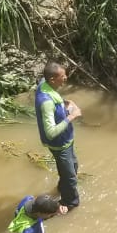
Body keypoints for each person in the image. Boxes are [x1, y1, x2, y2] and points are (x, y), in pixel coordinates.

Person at [35, 60, 82, 210]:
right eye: (63, 76)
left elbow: (46, 86)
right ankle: (70, 204)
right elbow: (50, 132)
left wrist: (63, 103)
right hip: (59, 145)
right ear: (53, 80)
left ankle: (63, 188)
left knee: (73, 167)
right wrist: (72, 116)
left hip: (66, 140)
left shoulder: (44, 84)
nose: (66, 78)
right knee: (70, 177)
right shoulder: (46, 102)